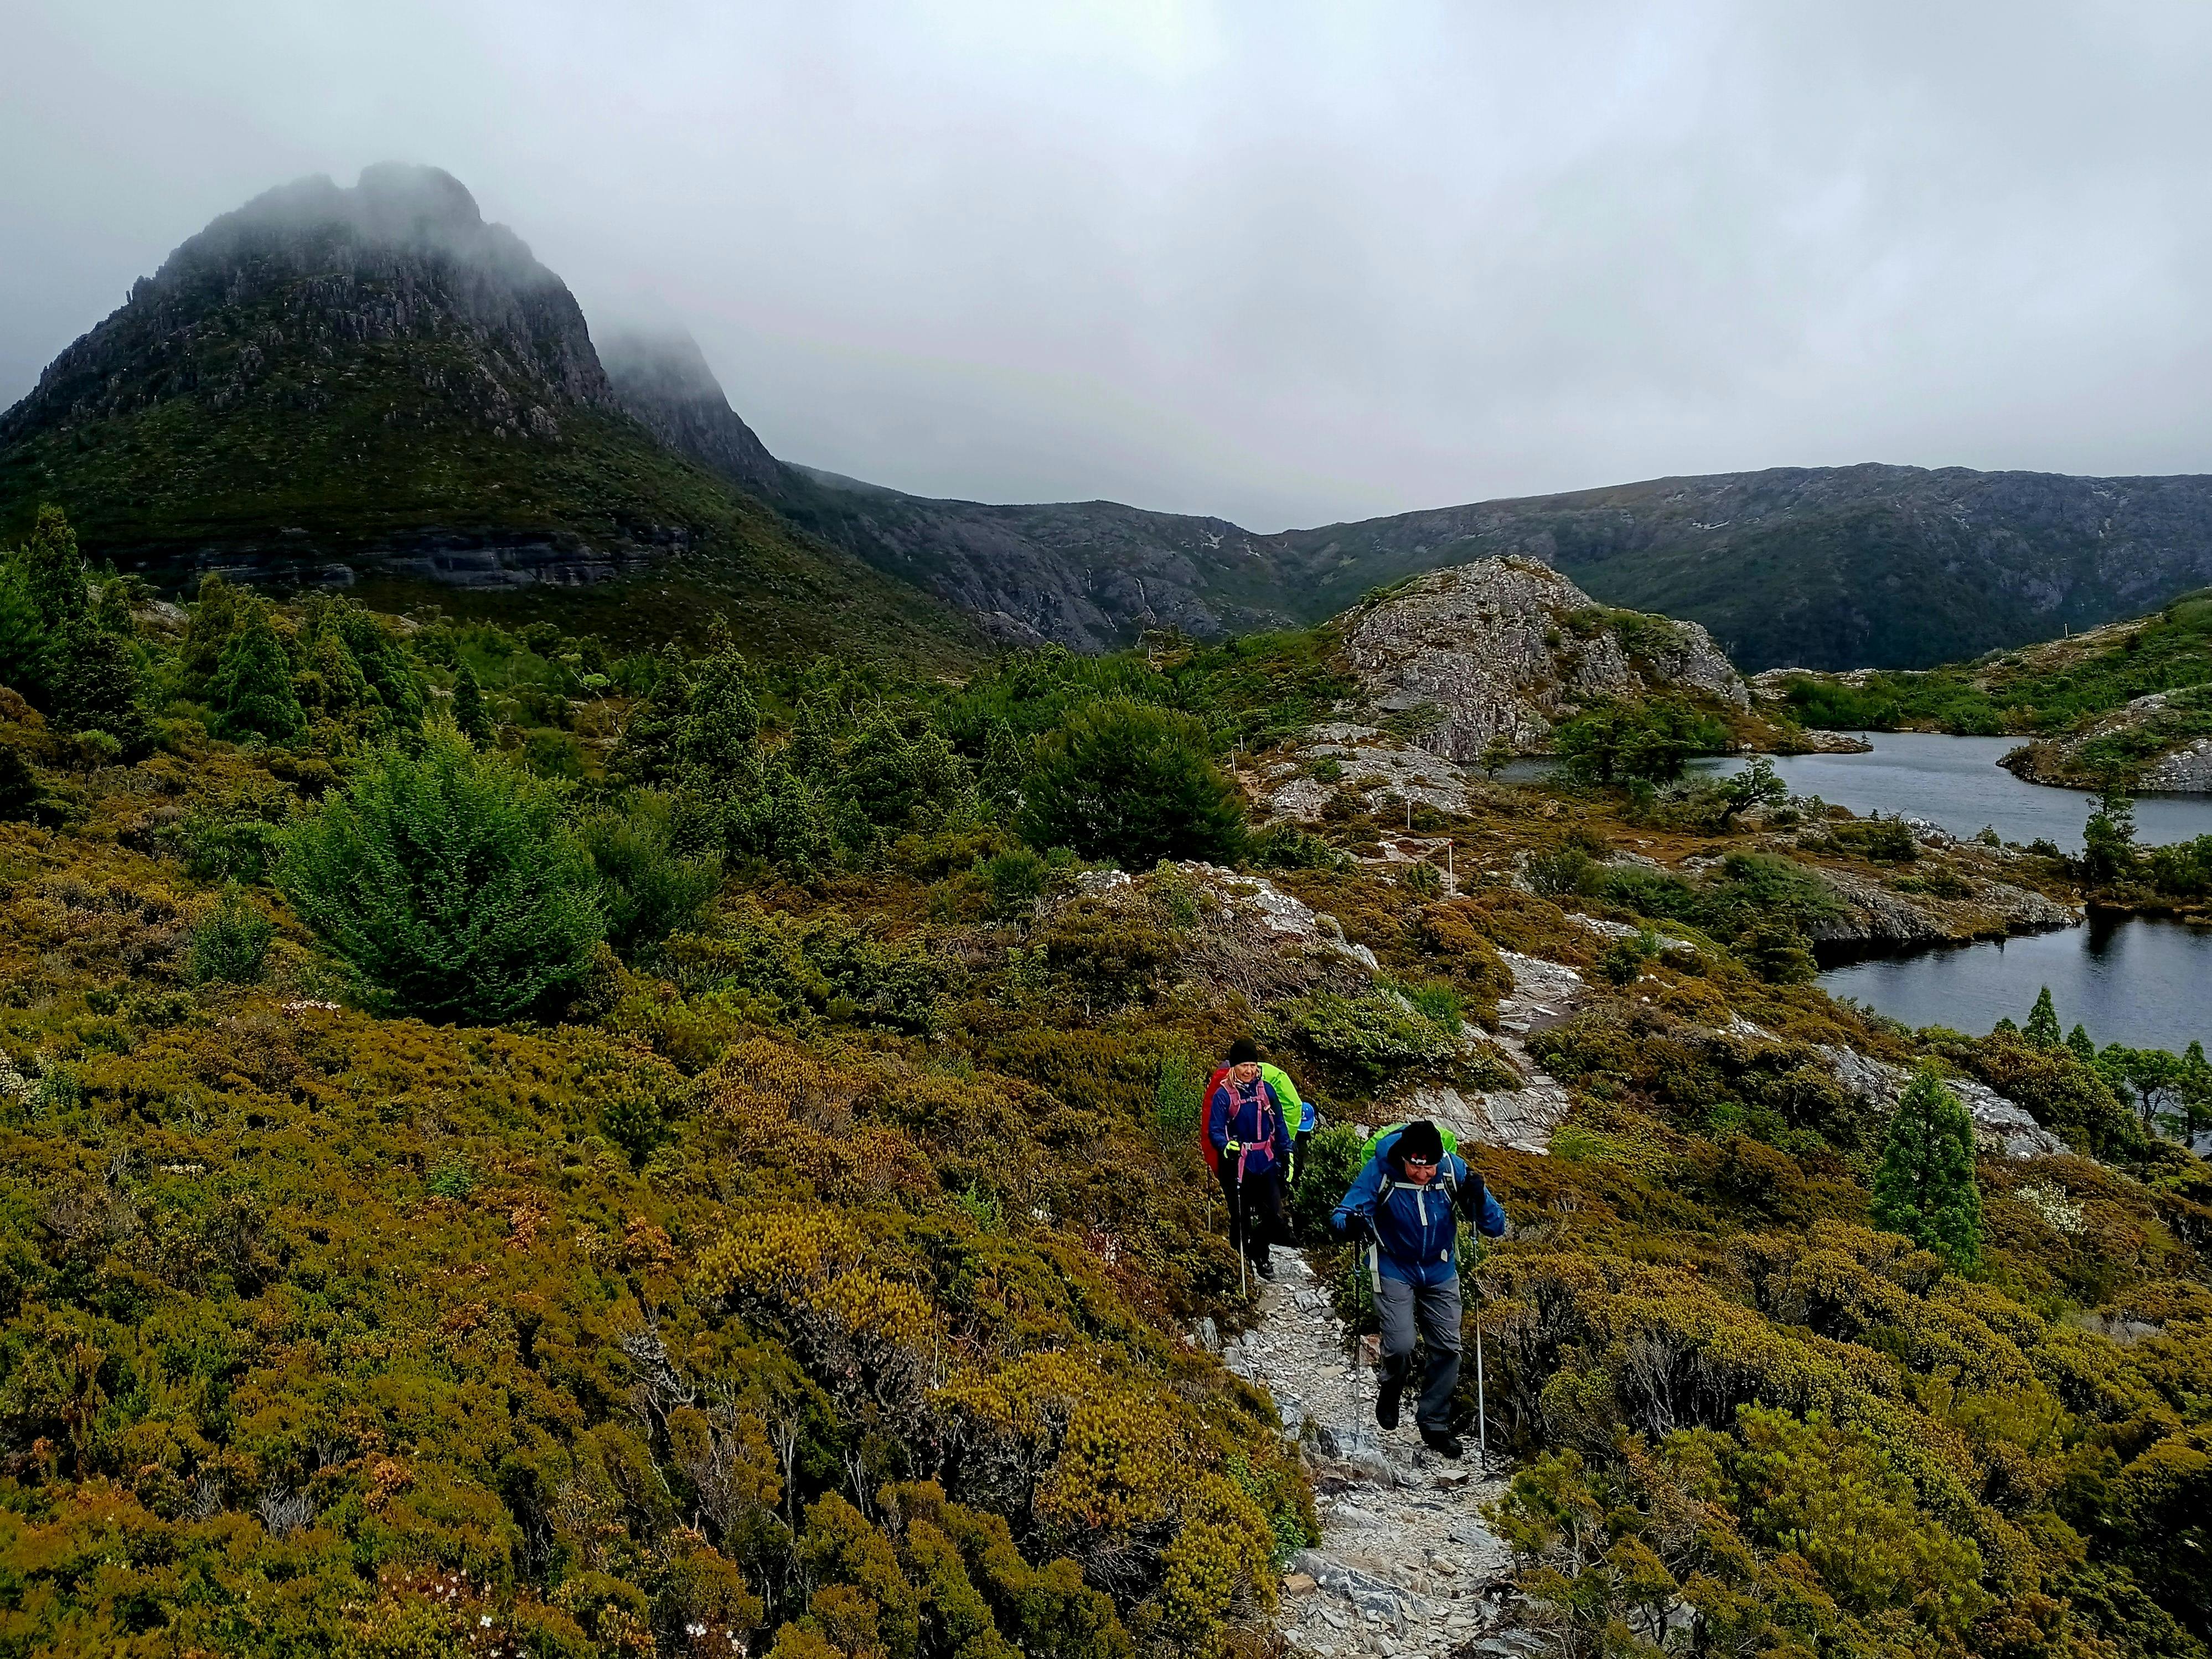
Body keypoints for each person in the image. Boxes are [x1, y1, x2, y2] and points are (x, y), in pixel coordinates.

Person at [1331, 1118, 1508, 1458]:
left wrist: (1478, 1197)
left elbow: (1495, 1225)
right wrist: (1350, 1224)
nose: (1422, 1174)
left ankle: (1434, 1422)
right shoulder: (1381, 1170)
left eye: (1429, 1167)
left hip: (1440, 1269)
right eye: (1415, 1166)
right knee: (1400, 1344)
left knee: (1448, 1347)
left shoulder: (1453, 1171)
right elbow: (1343, 1213)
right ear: (1404, 1157)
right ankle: (1391, 1387)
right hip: (1393, 1265)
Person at [1207, 1037, 1292, 1280]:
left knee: (1275, 1215)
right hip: (1237, 1165)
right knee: (1240, 1218)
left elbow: (1280, 1123)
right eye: (1244, 1065)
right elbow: (1215, 1130)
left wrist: (1286, 1153)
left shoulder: (1267, 1090)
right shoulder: (1224, 1095)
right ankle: (1240, 1264)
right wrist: (1226, 1146)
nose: (1250, 1070)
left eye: (1253, 1065)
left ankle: (1259, 1251)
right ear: (1234, 1067)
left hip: (1264, 1161)